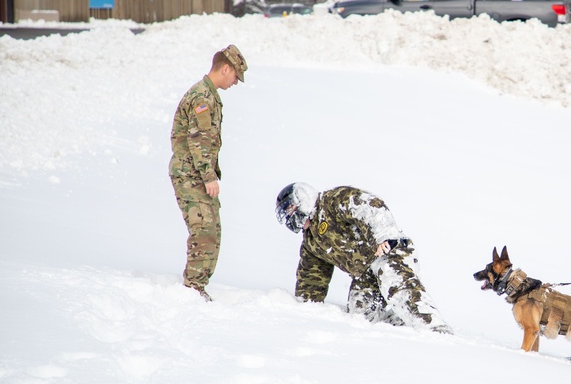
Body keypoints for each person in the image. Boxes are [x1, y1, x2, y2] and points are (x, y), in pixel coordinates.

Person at [275, 183, 453, 334]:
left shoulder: (332, 201)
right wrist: (306, 307)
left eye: (291, 210)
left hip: (389, 251)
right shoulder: (311, 241)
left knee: (394, 282)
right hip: (364, 273)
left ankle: (434, 328)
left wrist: (385, 235)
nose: (291, 218)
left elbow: (369, 206)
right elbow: (311, 277)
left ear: (303, 201)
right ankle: (405, 329)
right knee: (361, 316)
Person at [168, 45, 247, 301]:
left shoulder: (209, 95)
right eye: (236, 75)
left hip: (198, 175)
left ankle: (197, 287)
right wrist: (209, 176)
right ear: (225, 68)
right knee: (204, 231)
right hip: (191, 175)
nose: (236, 81)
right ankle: (192, 290)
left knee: (212, 231)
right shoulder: (202, 97)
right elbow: (199, 140)